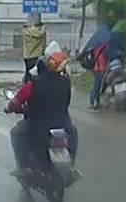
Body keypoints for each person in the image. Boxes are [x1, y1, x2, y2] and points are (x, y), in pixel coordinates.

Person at [4, 47, 78, 178]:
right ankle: (71, 165)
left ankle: (25, 167)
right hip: (64, 125)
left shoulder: (33, 84)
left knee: (16, 132)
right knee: (73, 133)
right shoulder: (66, 83)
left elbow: (16, 102)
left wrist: (10, 108)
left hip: (38, 127)